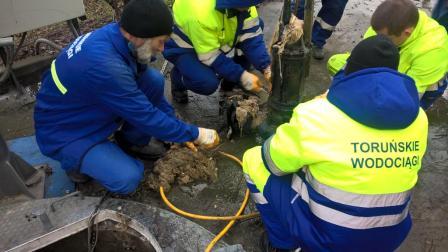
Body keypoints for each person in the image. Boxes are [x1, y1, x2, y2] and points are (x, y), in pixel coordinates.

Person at [242, 35, 428, 252]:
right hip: (390, 238)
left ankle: (285, 245)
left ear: (349, 70)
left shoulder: (318, 114)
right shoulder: (418, 117)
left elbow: (273, 162)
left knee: (253, 160)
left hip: (332, 242)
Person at [34, 0, 219, 195]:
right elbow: (146, 115)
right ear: (136, 37)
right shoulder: (106, 66)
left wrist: (175, 126)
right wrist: (195, 134)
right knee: (128, 178)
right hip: (66, 131)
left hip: (85, 105)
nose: (163, 49)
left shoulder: (120, 35)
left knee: (153, 80)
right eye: (160, 41)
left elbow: (152, 103)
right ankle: (77, 166)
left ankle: (132, 141)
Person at [327, 0, 448, 110]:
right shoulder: (388, 24)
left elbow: (410, 95)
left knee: (403, 112)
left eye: (386, 38)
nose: (379, 40)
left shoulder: (433, 49)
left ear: (407, 33)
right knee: (336, 63)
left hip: (424, 84)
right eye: (376, 34)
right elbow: (361, 56)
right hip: (394, 66)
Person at [162, 0, 272, 103]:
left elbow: (251, 36)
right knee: (206, 83)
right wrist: (241, 76)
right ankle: (178, 78)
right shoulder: (201, 12)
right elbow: (211, 56)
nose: (251, 7)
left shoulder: (244, 3)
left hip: (212, 39)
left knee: (258, 24)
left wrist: (265, 66)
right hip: (184, 47)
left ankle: (231, 83)